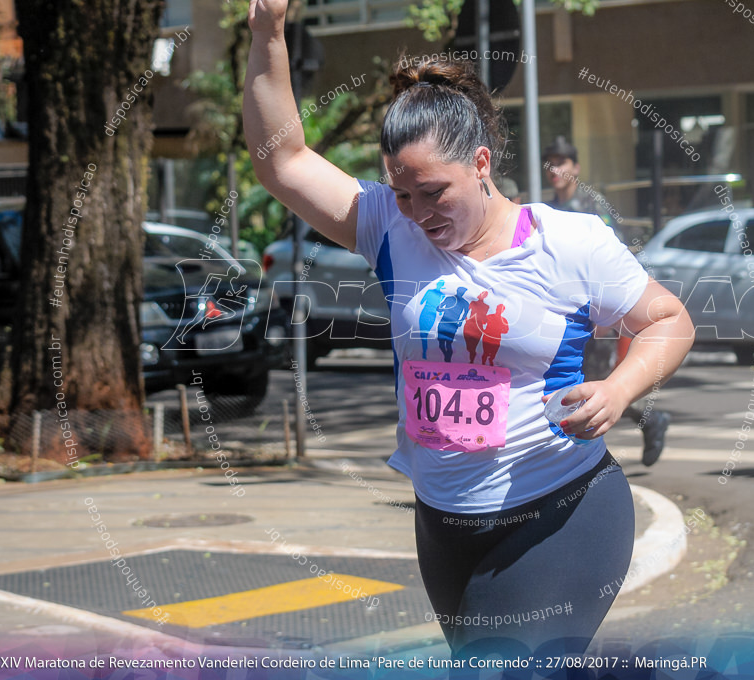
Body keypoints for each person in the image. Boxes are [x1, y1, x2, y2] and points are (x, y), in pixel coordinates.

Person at [245, 0, 694, 658]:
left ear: (480, 163)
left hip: (562, 510)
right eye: (402, 193)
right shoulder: (389, 229)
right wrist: (267, 30)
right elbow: (280, 159)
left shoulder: (567, 243)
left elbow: (667, 321)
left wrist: (620, 389)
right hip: (445, 523)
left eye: (433, 191)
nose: (418, 212)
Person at [544, 136, 673, 466]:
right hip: (563, 314)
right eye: (551, 162)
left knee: (591, 386)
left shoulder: (592, 206)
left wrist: (605, 318)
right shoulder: (548, 210)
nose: (555, 169)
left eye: (562, 162)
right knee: (575, 387)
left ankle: (590, 466)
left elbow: (615, 261)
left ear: (576, 168)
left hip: (596, 313)